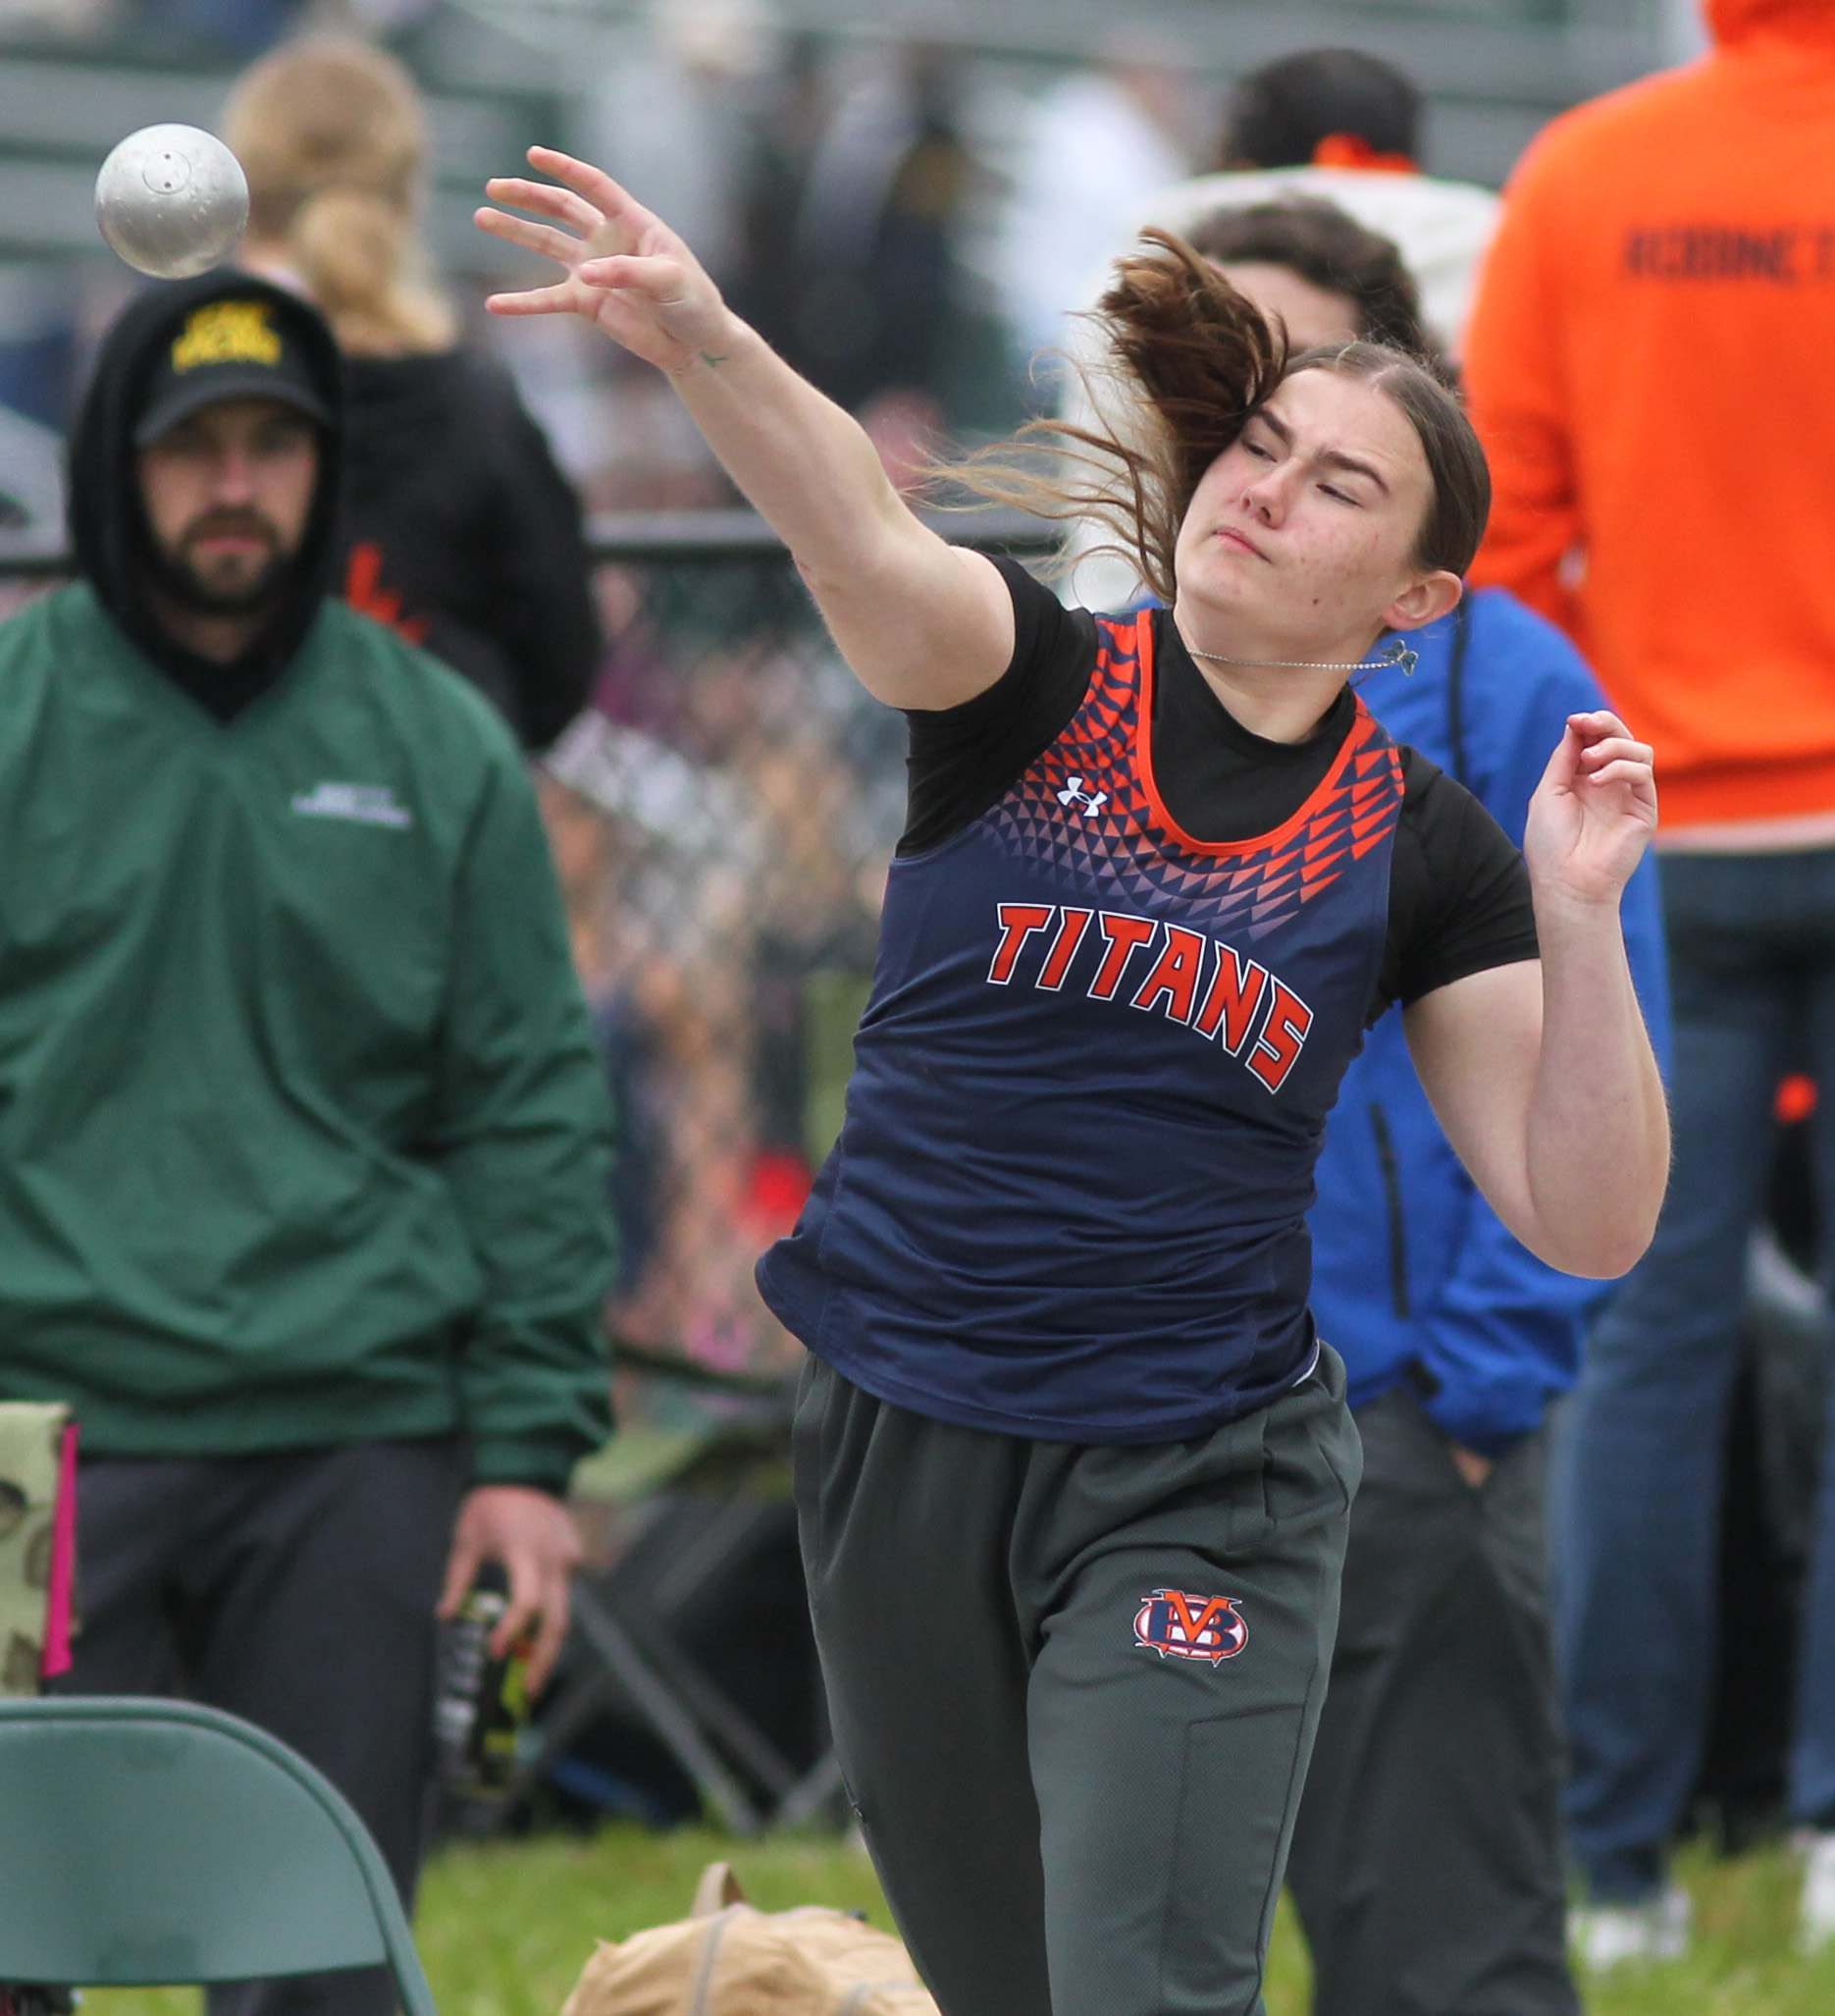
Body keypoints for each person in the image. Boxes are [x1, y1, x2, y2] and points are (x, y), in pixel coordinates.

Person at [477, 146, 1667, 2016]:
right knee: (1007, 1984)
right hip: (902, 1429)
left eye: (1337, 481)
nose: (1265, 489)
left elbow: (1589, 1211)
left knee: (1138, 1987)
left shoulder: (1419, 843)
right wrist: (700, 334)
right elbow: (855, 533)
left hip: (1197, 1467)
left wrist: (1584, 919)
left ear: (1424, 592)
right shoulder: (1032, 683)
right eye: (1261, 442)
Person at [0, 271, 616, 2016]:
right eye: (193, 447)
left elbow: (529, 1108)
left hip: (353, 1428)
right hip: (36, 1427)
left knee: (329, 1961)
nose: (235, 485)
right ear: (115, 468)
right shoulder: (13, 717)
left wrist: (526, 1454)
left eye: (274, 444)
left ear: (326, 468)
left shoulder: (434, 743)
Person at [1151, 197, 1669, 2016]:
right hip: (1141, 1431)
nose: (1272, 461)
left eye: (1324, 413)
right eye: (1244, 418)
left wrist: (1480, 1383)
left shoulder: (1512, 679)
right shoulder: (1115, 675)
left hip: (1405, 1412)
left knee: (1443, 1962)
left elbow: (1606, 1060)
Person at [1461, 0, 1835, 1963]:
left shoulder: (1589, 175)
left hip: (1663, 825)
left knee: (1633, 1349)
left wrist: (1648, 681)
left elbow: (1499, 538)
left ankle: (1612, 1863)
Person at [225, 37, 601, 753]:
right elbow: (559, 661)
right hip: (441, 815)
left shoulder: (180, 386)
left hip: (230, 822)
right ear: (409, 191)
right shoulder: (478, 407)